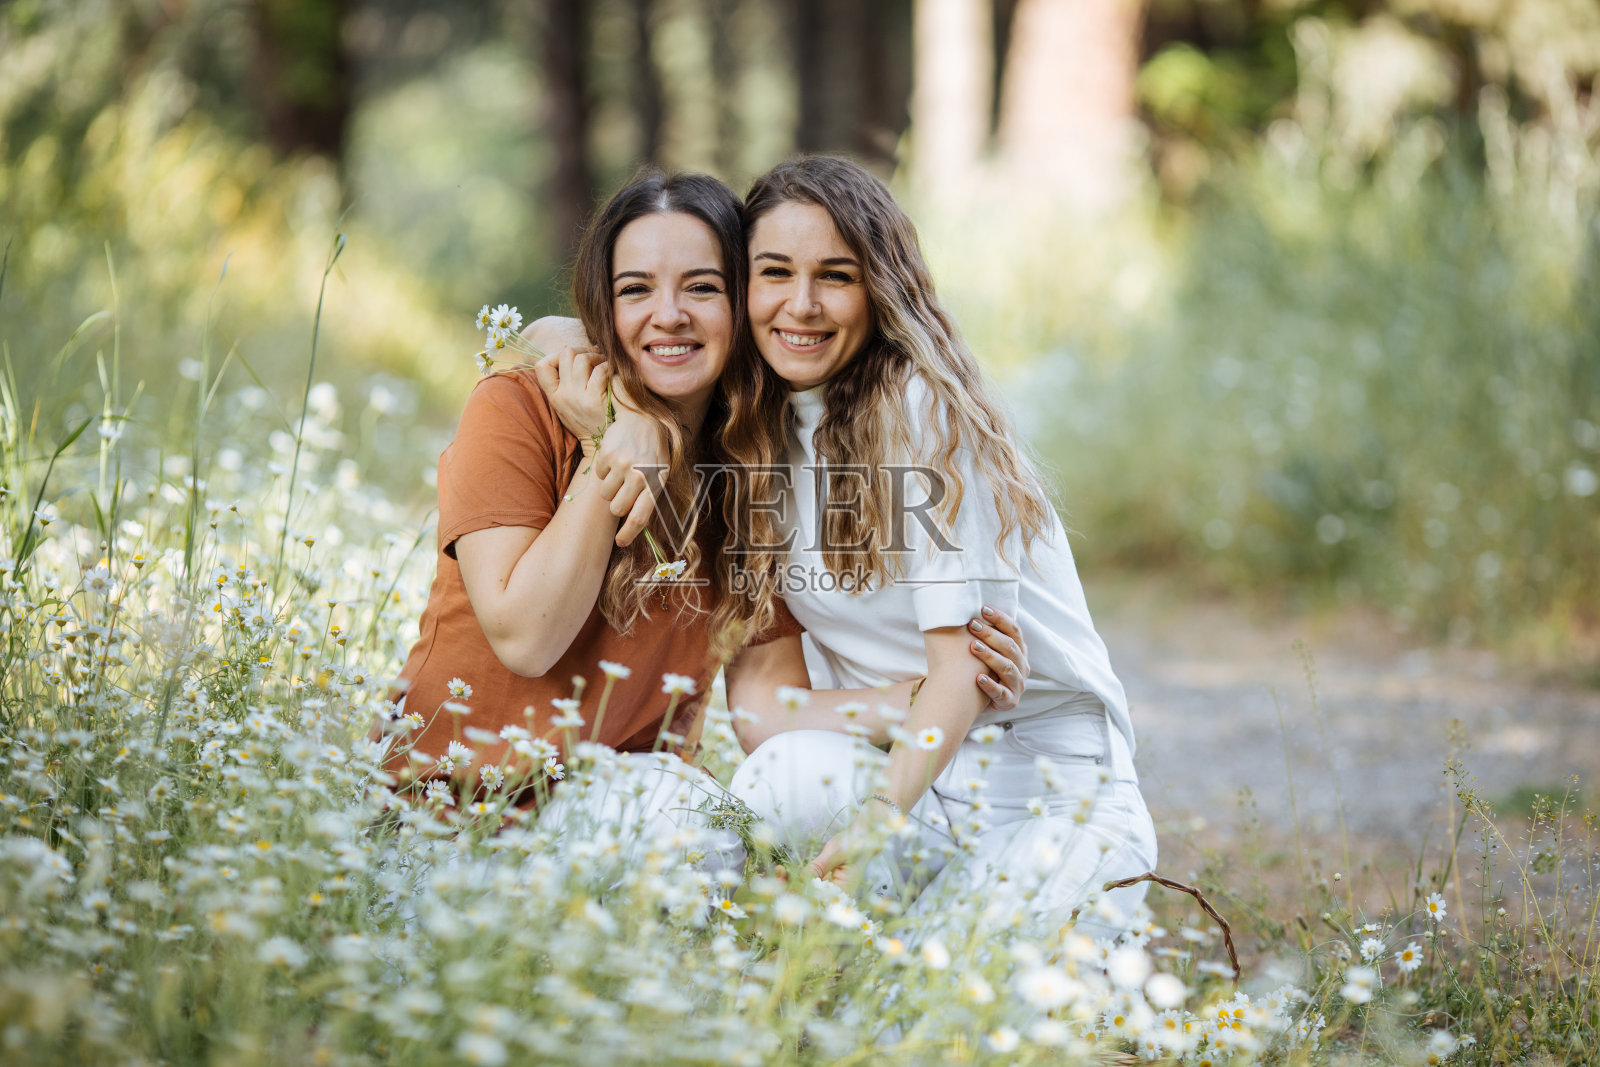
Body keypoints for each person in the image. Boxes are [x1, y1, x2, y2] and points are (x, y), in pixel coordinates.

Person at [386, 169, 1028, 849]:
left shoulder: (749, 465)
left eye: (702, 286)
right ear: (606, 307)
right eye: (635, 289)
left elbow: (764, 708)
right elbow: (525, 637)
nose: (669, 314)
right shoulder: (519, 410)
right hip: (445, 812)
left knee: (705, 829)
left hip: (620, 803)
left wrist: (940, 692)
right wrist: (613, 442)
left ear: (744, 303)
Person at [709, 156, 1159, 935]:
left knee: (943, 1015)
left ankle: (1080, 937)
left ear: (879, 287)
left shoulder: (921, 407)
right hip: (918, 780)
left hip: (1048, 789)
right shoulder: (748, 433)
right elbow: (758, 715)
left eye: (836, 276)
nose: (801, 305)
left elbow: (964, 672)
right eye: (774, 272)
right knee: (776, 778)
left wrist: (879, 815)